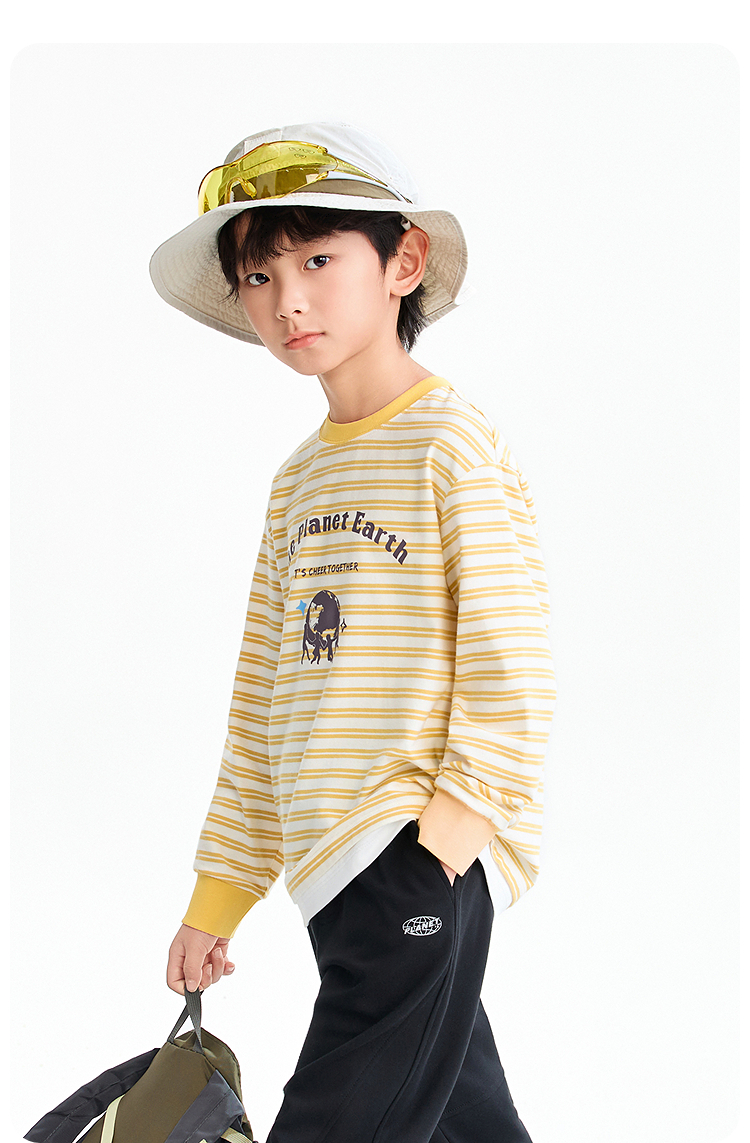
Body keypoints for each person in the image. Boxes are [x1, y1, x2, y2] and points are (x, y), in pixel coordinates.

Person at [150, 121, 557, 1143]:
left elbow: (512, 663)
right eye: (258, 276)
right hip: (330, 871)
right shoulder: (299, 482)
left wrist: (447, 840)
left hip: (407, 855)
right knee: (466, 1122)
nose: (287, 299)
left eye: (318, 261)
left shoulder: (452, 447)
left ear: (402, 262)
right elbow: (265, 703)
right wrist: (217, 899)